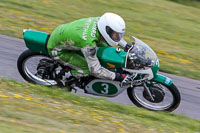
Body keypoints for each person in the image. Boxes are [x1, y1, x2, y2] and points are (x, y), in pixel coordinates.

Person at [47, 12, 134, 86]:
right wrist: (118, 76)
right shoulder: (89, 43)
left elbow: (111, 38)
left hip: (62, 33)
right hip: (58, 50)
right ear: (107, 30)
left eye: (119, 35)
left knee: (103, 46)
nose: (117, 37)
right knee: (87, 69)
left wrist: (126, 45)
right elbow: (95, 70)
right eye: (115, 35)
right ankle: (64, 79)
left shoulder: (100, 21)